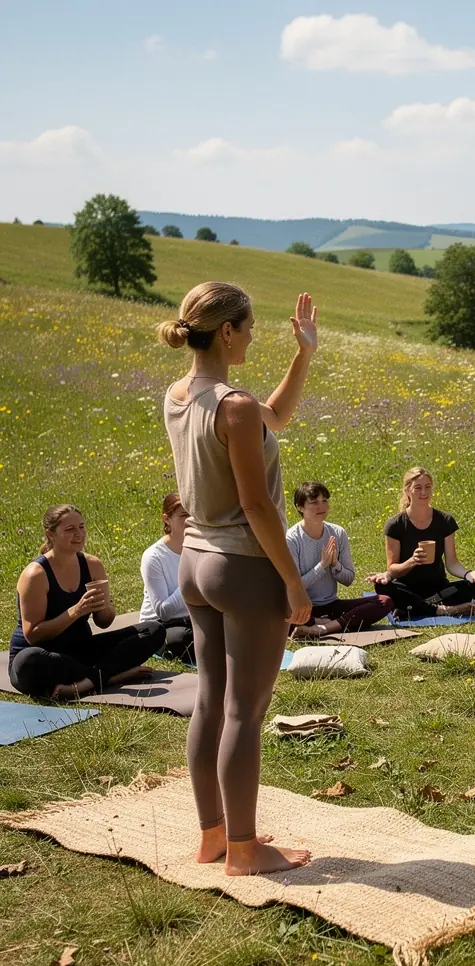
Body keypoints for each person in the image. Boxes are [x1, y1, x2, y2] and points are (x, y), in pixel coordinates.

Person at [160, 282, 316, 876]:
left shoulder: (178, 396)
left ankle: (213, 836)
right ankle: (246, 851)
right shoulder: (236, 407)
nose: (253, 336)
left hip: (195, 564)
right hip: (242, 568)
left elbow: (273, 417)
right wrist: (294, 583)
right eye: (249, 327)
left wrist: (304, 354)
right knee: (245, 713)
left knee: (209, 704)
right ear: (227, 332)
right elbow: (258, 507)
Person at [9, 504, 165, 700]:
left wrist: (104, 606)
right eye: (70, 529)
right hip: (45, 655)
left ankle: (88, 681)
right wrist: (75, 611)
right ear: (51, 534)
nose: (79, 534)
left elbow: (104, 622)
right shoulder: (36, 574)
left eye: (81, 527)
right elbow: (33, 635)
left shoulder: (92, 564)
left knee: (153, 630)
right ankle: (110, 676)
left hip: (80, 650)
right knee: (29, 661)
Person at [371, 467, 475, 618]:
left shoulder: (445, 520)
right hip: (407, 588)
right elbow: (392, 569)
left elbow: (452, 563)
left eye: (427, 487)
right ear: (407, 491)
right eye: (418, 488)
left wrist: (468, 574)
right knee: (382, 587)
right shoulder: (395, 525)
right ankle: (441, 610)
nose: (424, 493)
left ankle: (414, 606)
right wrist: (412, 561)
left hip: (439, 588)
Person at [286, 481, 393, 638]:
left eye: (324, 501)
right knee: (281, 614)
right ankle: (323, 623)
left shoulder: (337, 532)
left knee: (385, 601)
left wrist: (335, 564)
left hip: (332, 606)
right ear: (300, 507)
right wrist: (322, 566)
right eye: (314, 502)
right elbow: (294, 587)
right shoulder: (291, 539)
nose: (321, 506)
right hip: (303, 608)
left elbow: (349, 579)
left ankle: (324, 628)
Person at [139, 492, 195, 662]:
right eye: (184, 515)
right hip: (161, 625)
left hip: (194, 618)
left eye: (194, 513)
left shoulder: (201, 547)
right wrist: (189, 581)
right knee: (182, 641)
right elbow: (163, 611)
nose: (191, 520)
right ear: (167, 519)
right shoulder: (153, 557)